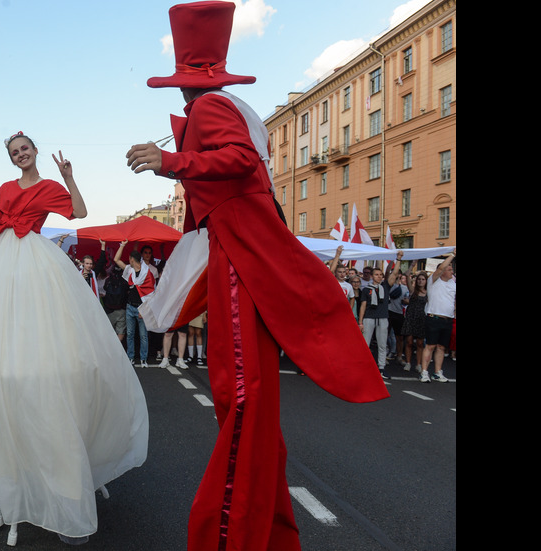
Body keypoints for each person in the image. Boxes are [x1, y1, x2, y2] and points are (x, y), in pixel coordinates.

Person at [126, 3, 388, 549]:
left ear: (184, 84)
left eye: (178, 84)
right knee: (249, 407)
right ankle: (266, 533)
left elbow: (240, 159)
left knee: (240, 399)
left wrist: (169, 161)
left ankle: (232, 534)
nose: (178, 96)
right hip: (243, 257)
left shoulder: (208, 110)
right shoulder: (231, 106)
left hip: (240, 263)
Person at [0, 132, 148, 546]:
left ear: (34, 151)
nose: (20, 155)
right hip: (1, 260)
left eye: (25, 149)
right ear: (12, 159)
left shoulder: (49, 186)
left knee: (50, 337)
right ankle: (15, 475)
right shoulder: (4, 189)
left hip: (35, 257)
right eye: (14, 152)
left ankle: (60, 465)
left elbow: (80, 211)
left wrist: (69, 177)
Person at [357, 252, 403, 380]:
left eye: (380, 275)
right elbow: (363, 306)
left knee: (382, 344)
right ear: (372, 276)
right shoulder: (366, 289)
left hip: (382, 318)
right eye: (376, 275)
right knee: (365, 344)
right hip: (369, 318)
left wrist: (398, 259)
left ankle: (381, 368)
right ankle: (363, 367)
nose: (379, 277)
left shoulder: (385, 287)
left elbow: (394, 274)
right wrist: (360, 322)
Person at [113, 242, 157, 368]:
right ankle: (130, 357)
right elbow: (116, 259)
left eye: (129, 259)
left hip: (141, 309)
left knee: (143, 335)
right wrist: (121, 245)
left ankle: (143, 359)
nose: (128, 261)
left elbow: (151, 294)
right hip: (130, 307)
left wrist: (144, 310)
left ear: (132, 260)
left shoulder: (147, 274)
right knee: (130, 334)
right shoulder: (130, 270)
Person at [420, 252, 456, 383]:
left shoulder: (453, 283)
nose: (452, 271)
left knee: (441, 347)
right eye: (449, 269)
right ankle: (424, 372)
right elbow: (440, 268)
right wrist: (452, 255)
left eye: (452, 269)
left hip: (447, 319)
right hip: (433, 318)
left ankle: (437, 372)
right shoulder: (433, 281)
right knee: (430, 345)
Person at [401, 269, 428, 372]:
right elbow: (407, 276)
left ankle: (418, 364)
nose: (420, 281)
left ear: (426, 281)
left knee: (420, 343)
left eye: (423, 279)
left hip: (421, 318)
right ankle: (408, 363)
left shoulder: (428, 293)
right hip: (411, 317)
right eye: (419, 279)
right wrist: (413, 264)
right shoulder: (413, 290)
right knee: (409, 342)